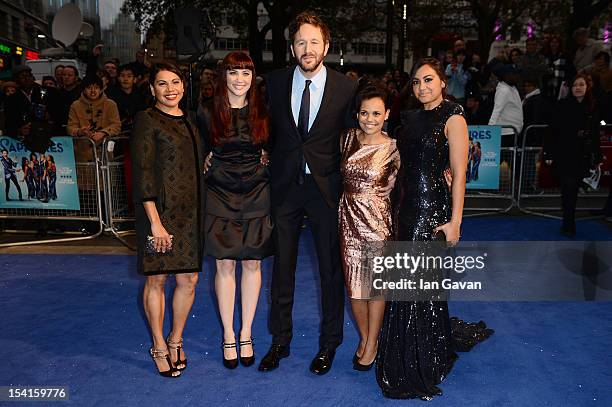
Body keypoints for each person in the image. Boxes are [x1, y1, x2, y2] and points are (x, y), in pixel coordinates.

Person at [376, 58, 493, 400]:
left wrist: (456, 220)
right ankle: (426, 343)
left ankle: (421, 357)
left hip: (433, 210)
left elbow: (458, 174)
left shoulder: (453, 116)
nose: (422, 87)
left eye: (428, 80)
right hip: (404, 207)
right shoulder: (409, 118)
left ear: (443, 82)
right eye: (416, 82)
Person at [258, 11, 357, 375]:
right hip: (284, 189)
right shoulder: (275, 82)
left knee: (330, 272)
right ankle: (280, 341)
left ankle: (329, 344)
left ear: (326, 46)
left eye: (314, 41)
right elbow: (260, 128)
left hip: (325, 192)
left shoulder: (346, 88)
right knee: (282, 269)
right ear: (292, 46)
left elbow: (356, 138)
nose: (307, 48)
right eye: (301, 41)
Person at [131, 62, 205, 377]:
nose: (170, 89)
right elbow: (144, 172)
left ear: (183, 86)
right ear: (152, 89)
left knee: (189, 279)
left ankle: (176, 338)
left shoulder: (191, 119)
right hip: (158, 213)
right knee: (157, 279)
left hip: (190, 215)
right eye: (162, 84)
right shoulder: (146, 120)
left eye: (175, 82)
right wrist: (155, 222)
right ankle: (159, 344)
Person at [202, 51, 272, 369]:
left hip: (257, 191)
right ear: (224, 76)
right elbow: (196, 149)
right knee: (225, 265)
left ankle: (247, 333)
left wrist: (268, 157)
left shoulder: (264, 112)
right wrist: (204, 158)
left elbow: (279, 147)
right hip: (219, 191)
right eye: (233, 73)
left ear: (253, 78)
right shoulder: (206, 112)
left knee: (254, 265)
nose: (239, 79)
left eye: (246, 73)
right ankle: (229, 334)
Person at [338, 82, 399, 371]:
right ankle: (364, 336)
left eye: (376, 113)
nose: (370, 119)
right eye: (364, 113)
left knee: (375, 288)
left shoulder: (394, 148)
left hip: (377, 221)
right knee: (355, 288)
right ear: (357, 114)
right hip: (348, 218)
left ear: (387, 114)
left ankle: (372, 342)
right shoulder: (347, 138)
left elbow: (407, 182)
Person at [546, 74, 602, 237]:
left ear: (587, 87)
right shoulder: (563, 105)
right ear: (570, 88)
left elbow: (596, 134)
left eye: (581, 85)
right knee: (568, 189)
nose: (578, 88)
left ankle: (569, 220)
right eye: (575, 85)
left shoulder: (592, 106)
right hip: (565, 154)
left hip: (583, 156)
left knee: (574, 190)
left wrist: (597, 156)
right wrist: (549, 153)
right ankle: (568, 223)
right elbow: (553, 130)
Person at [488, 64, 524, 144]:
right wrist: (490, 131)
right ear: (506, 76)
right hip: (506, 132)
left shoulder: (512, 88)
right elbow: (496, 111)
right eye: (514, 74)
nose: (517, 76)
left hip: (512, 131)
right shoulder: (504, 90)